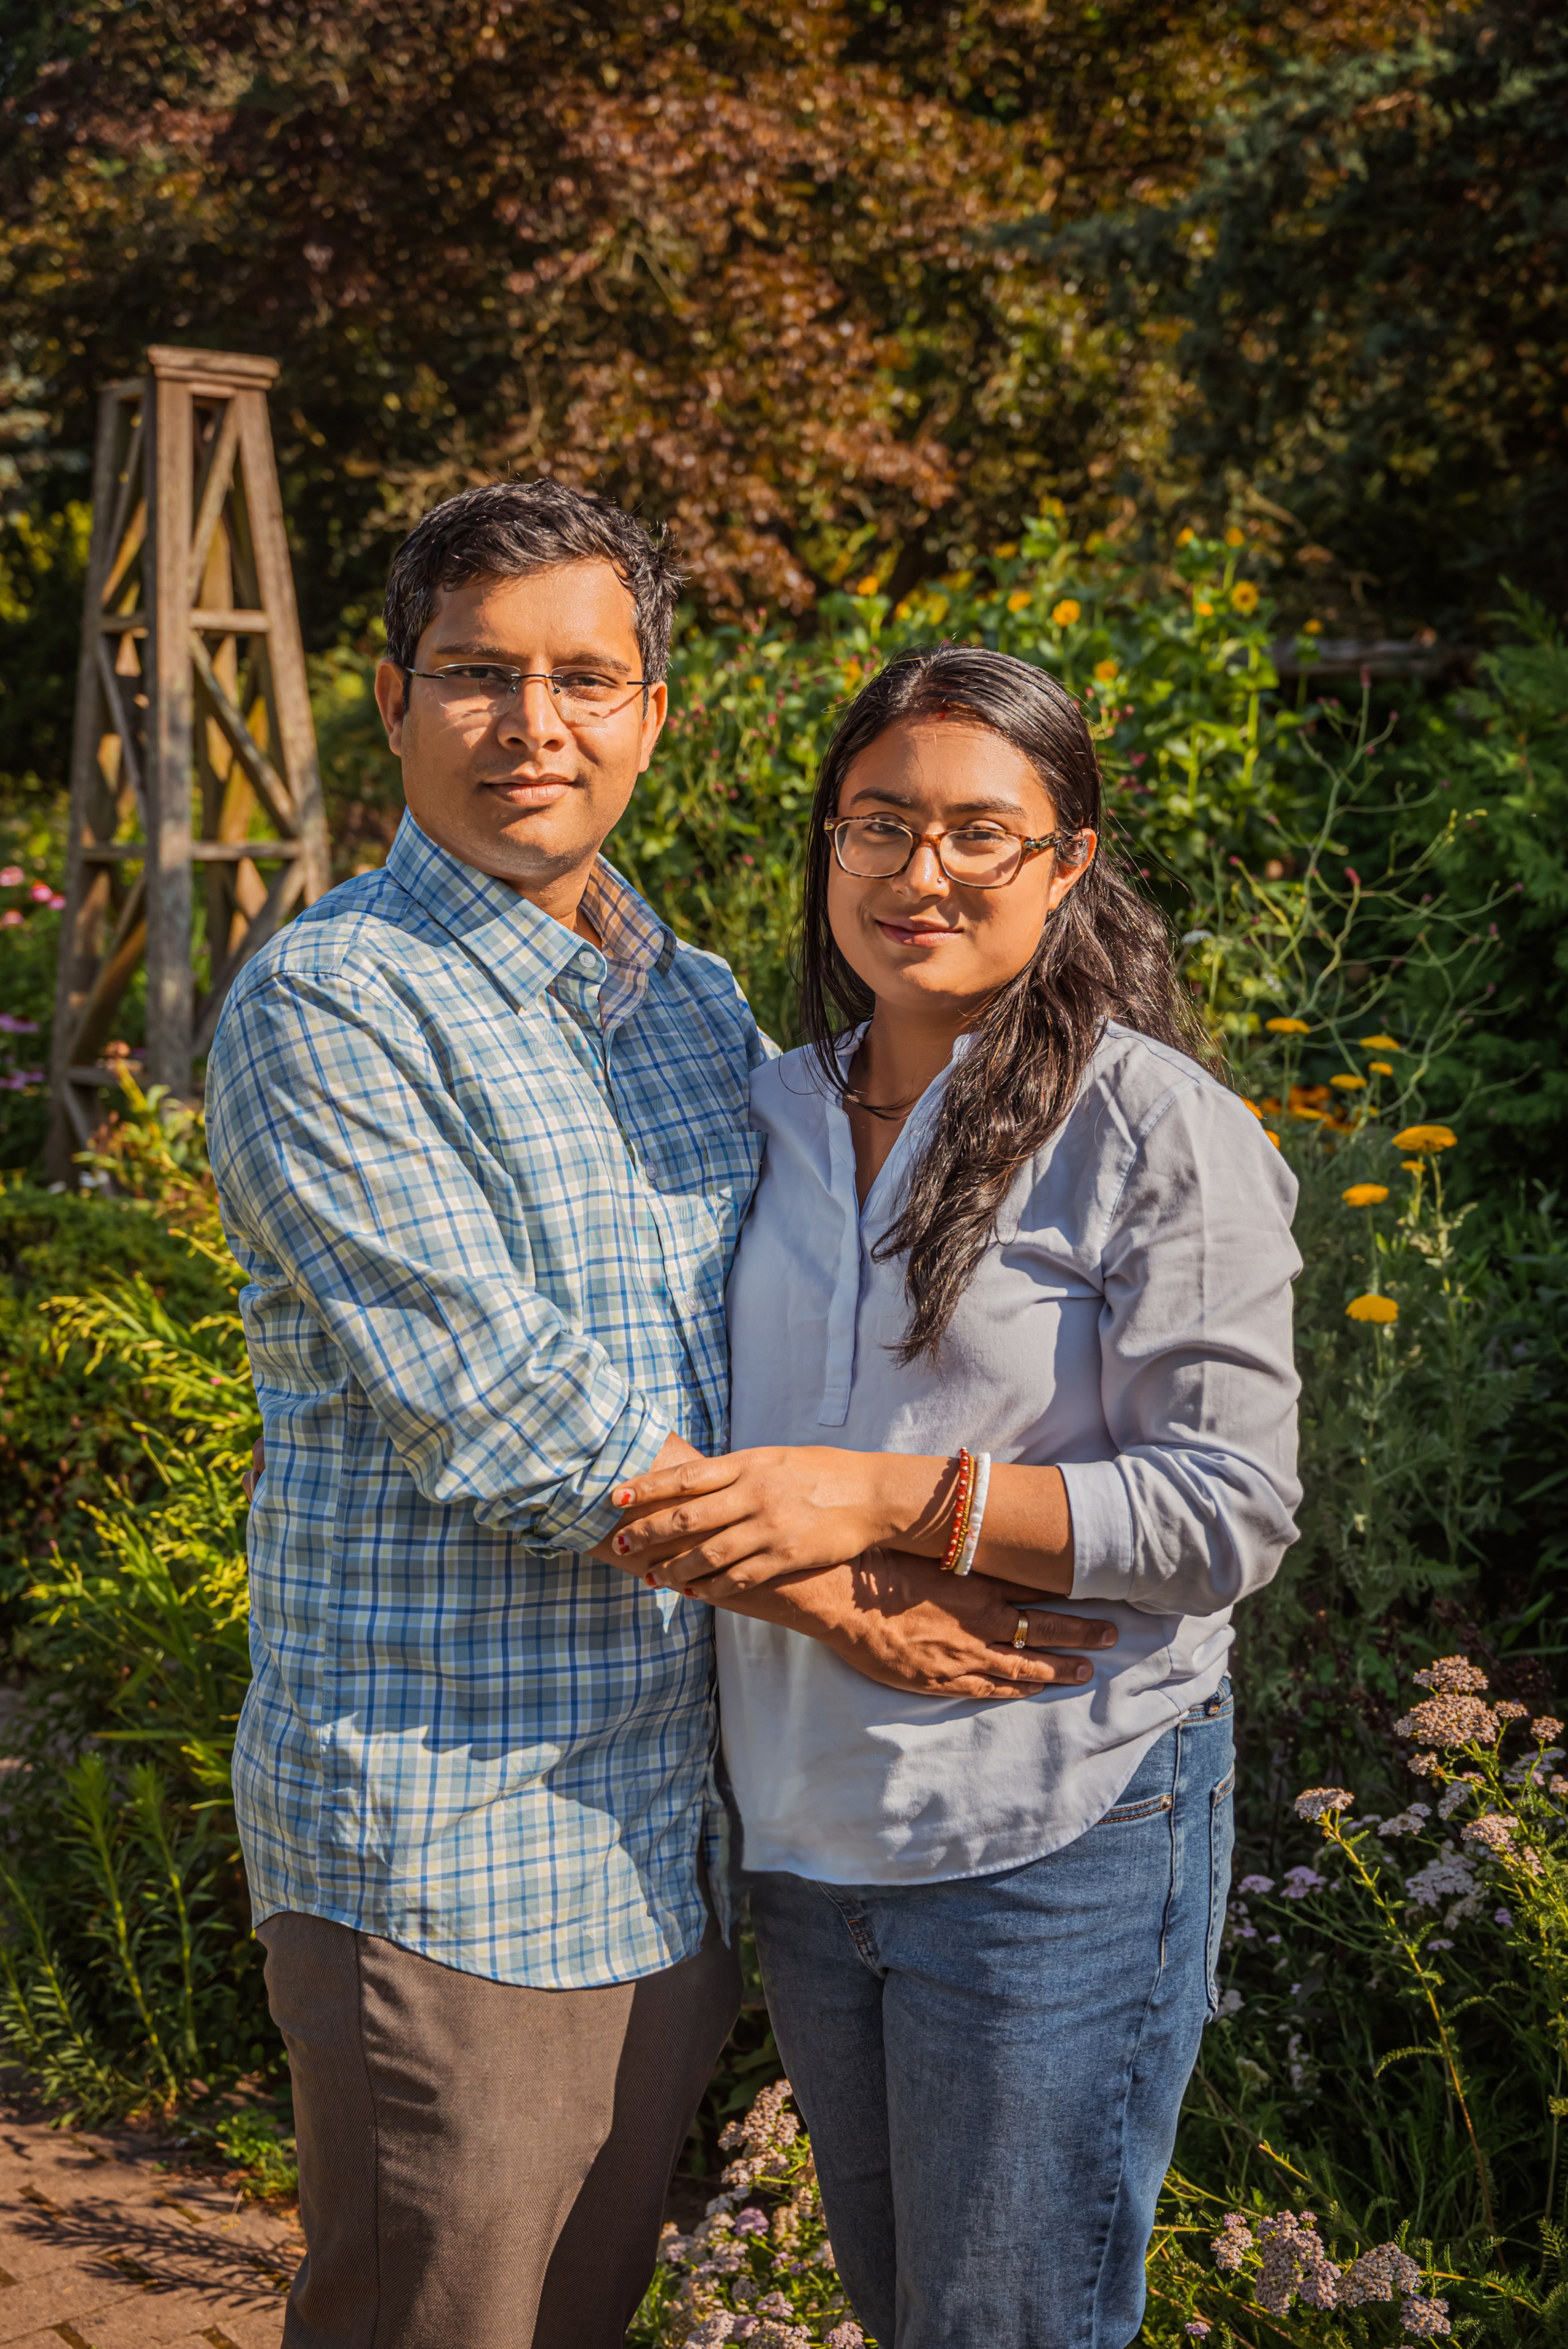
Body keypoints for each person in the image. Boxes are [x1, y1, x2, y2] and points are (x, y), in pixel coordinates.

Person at [208, 488, 1112, 2349]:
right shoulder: (336, 1000)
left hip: (669, 1832)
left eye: (582, 678)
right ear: (389, 698)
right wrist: (858, 1595)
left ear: (654, 712)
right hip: (452, 1833)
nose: (532, 727)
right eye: (476, 674)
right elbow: (507, 1410)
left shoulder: (692, 1005)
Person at [605, 646, 1303, 2349]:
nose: (924, 873)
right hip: (804, 1829)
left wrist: (891, 1495)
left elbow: (1229, 1508)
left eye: (981, 833)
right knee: (905, 2309)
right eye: (882, 825)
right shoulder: (757, 1113)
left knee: (1005, 2322)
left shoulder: (1151, 1124)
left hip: (1053, 1825)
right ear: (829, 845)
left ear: (1068, 862)